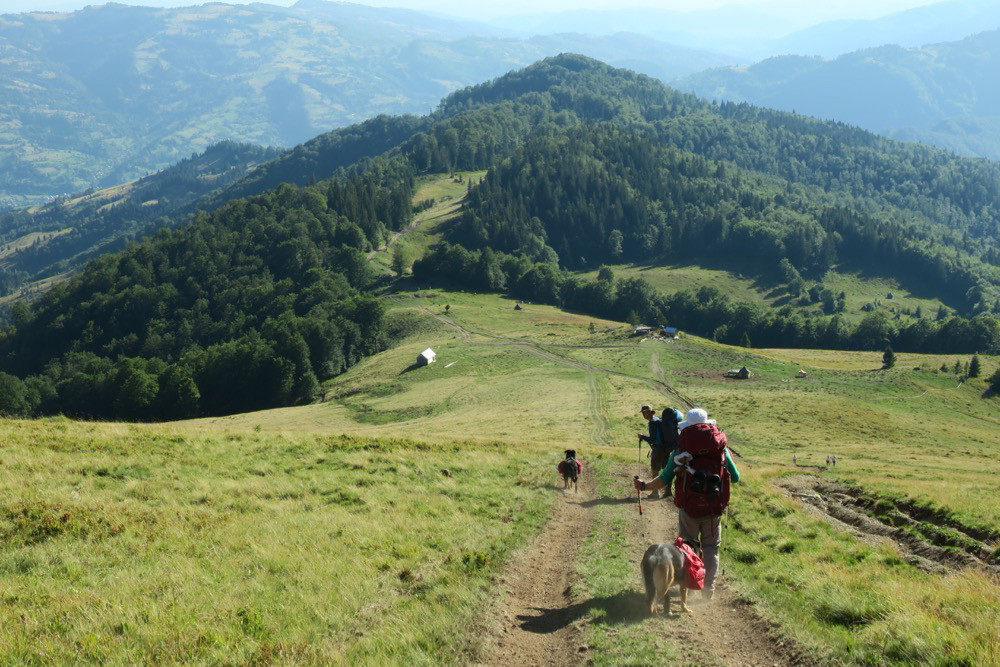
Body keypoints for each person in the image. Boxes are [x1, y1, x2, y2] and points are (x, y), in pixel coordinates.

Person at [633, 408, 740, 600]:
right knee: (711, 548)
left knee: (687, 548)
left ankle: (689, 586)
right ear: (709, 425)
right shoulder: (721, 450)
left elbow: (664, 479)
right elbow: (736, 478)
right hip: (714, 509)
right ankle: (708, 590)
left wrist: (643, 486)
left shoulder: (681, 451)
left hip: (689, 508)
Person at [637, 405, 665, 499]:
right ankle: (667, 491)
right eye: (643, 413)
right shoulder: (658, 419)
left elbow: (653, 439)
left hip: (658, 449)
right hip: (665, 448)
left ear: (650, 412)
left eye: (645, 412)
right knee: (665, 469)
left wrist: (642, 437)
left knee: (655, 470)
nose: (644, 415)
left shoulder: (653, 423)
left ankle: (655, 492)